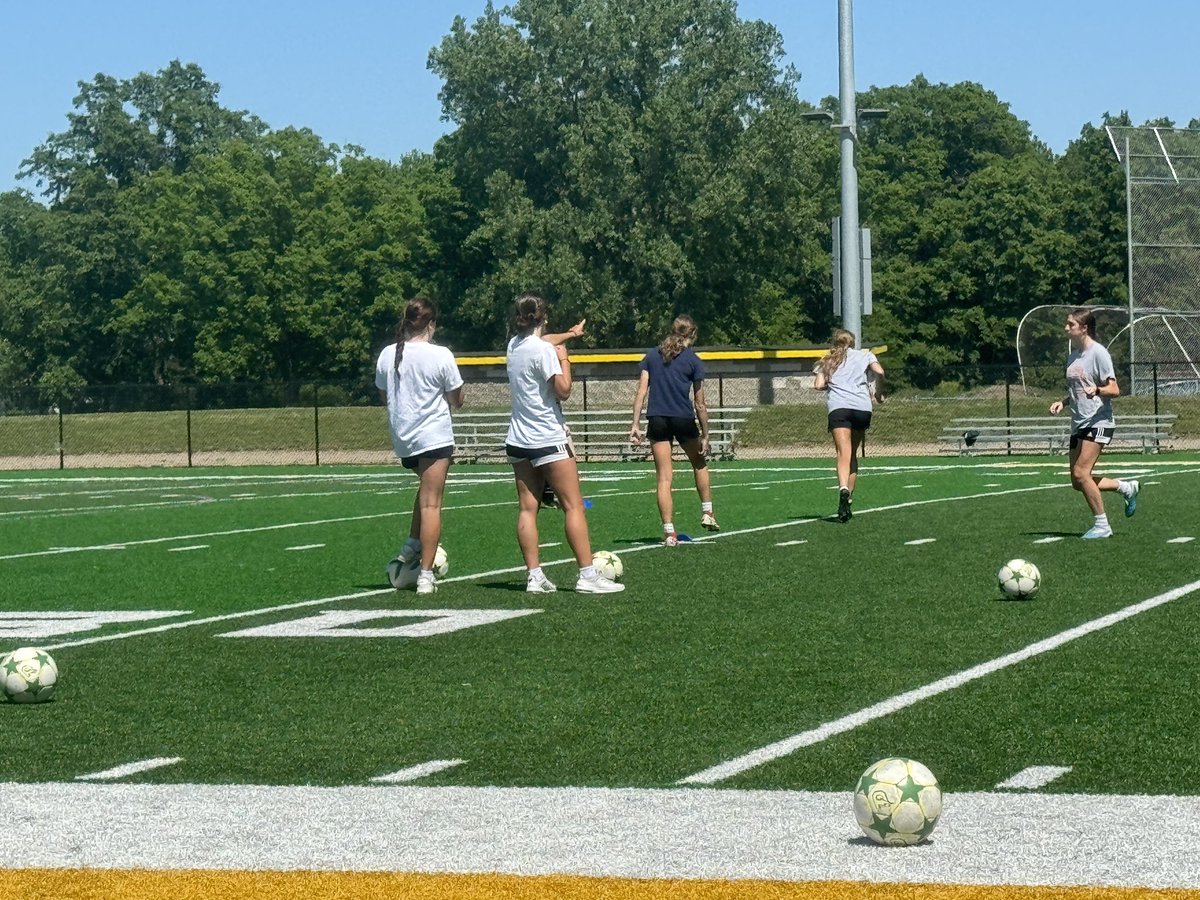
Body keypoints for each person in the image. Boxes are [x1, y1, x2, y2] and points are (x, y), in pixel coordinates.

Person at [505, 293, 624, 593]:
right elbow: (564, 390)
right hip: (547, 436)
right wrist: (565, 358)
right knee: (573, 506)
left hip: (518, 439)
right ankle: (587, 575)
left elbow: (541, 339)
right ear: (543, 318)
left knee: (527, 510)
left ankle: (534, 576)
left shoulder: (513, 345)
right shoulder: (545, 351)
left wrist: (570, 334)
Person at [376, 297, 464, 594]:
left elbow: (384, 395)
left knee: (426, 491)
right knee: (432, 503)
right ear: (431, 324)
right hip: (433, 437)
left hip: (404, 438)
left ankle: (411, 545)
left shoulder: (388, 353)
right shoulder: (440, 354)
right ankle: (425, 574)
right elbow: (457, 399)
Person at [1048, 308, 1139, 539]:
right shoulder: (1073, 355)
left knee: (1081, 472)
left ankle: (1102, 525)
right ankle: (1125, 487)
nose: (1066, 328)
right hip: (1078, 423)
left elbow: (1115, 389)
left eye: (1071, 324)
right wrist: (1064, 402)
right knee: (1078, 482)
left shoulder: (1099, 353)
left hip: (1099, 420)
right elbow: (1078, 390)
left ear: (1084, 328)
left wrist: (1098, 389)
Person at [629, 314, 719, 546]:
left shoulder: (652, 355)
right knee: (699, 462)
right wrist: (706, 434)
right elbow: (700, 403)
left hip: (657, 418)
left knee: (664, 478)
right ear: (693, 334)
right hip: (682, 418)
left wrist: (635, 424)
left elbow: (641, 392)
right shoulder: (693, 360)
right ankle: (707, 512)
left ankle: (669, 532)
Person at [812, 328, 884, 523]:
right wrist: (878, 392)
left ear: (835, 342)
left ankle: (843, 488)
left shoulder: (827, 359)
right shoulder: (865, 355)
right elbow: (880, 371)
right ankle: (849, 498)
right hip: (862, 407)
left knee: (842, 453)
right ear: (852, 342)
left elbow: (818, 385)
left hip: (839, 407)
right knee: (852, 454)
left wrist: (834, 384)